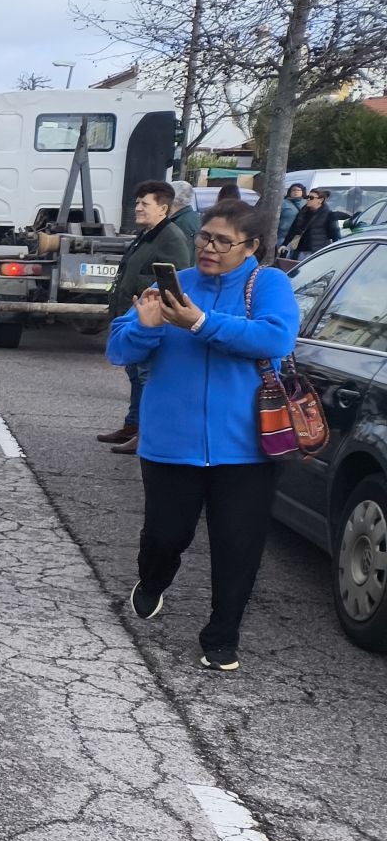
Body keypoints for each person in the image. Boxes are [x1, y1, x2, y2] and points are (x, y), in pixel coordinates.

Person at [107, 200, 301, 672]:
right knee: (165, 536)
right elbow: (118, 347)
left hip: (246, 448)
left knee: (238, 547)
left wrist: (198, 322)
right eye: (204, 237)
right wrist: (148, 331)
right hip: (171, 442)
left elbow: (275, 339)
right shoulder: (176, 284)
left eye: (222, 241)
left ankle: (222, 636)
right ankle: (152, 581)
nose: (208, 248)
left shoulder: (269, 284)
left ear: (252, 247)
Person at [98, 180, 195, 455]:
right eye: (137, 203)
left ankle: (144, 432)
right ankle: (132, 425)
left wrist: (146, 297)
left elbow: (176, 281)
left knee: (144, 378)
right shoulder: (148, 233)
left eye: (144, 204)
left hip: (150, 321)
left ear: (163, 208)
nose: (137, 208)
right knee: (134, 375)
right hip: (132, 317)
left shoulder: (171, 237)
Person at [284, 188, 341, 256]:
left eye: (311, 198)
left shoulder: (329, 215)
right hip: (298, 249)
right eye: (307, 197)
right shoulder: (303, 212)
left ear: (320, 200)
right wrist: (284, 244)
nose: (308, 199)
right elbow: (293, 229)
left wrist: (336, 251)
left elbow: (335, 234)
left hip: (316, 251)